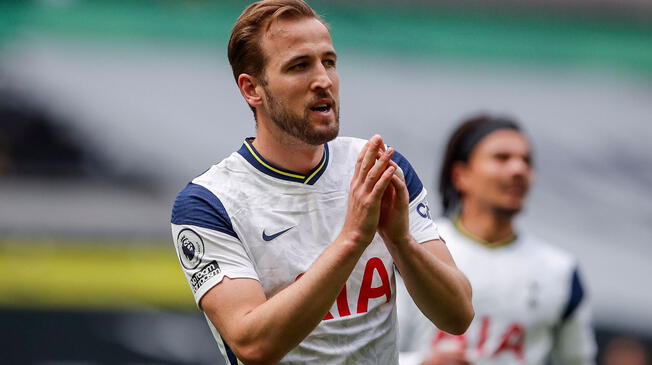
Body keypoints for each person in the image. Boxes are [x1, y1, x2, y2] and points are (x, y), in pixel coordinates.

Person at [170, 1, 473, 364]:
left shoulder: (378, 167)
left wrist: (401, 241)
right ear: (252, 90)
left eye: (328, 62)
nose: (323, 81)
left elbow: (458, 315)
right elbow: (252, 346)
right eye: (299, 66)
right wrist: (352, 239)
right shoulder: (208, 202)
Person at [397, 115, 596, 365]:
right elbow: (370, 352)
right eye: (501, 158)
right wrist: (420, 363)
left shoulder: (561, 270)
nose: (519, 169)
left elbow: (579, 360)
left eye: (527, 161)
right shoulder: (413, 250)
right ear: (460, 175)